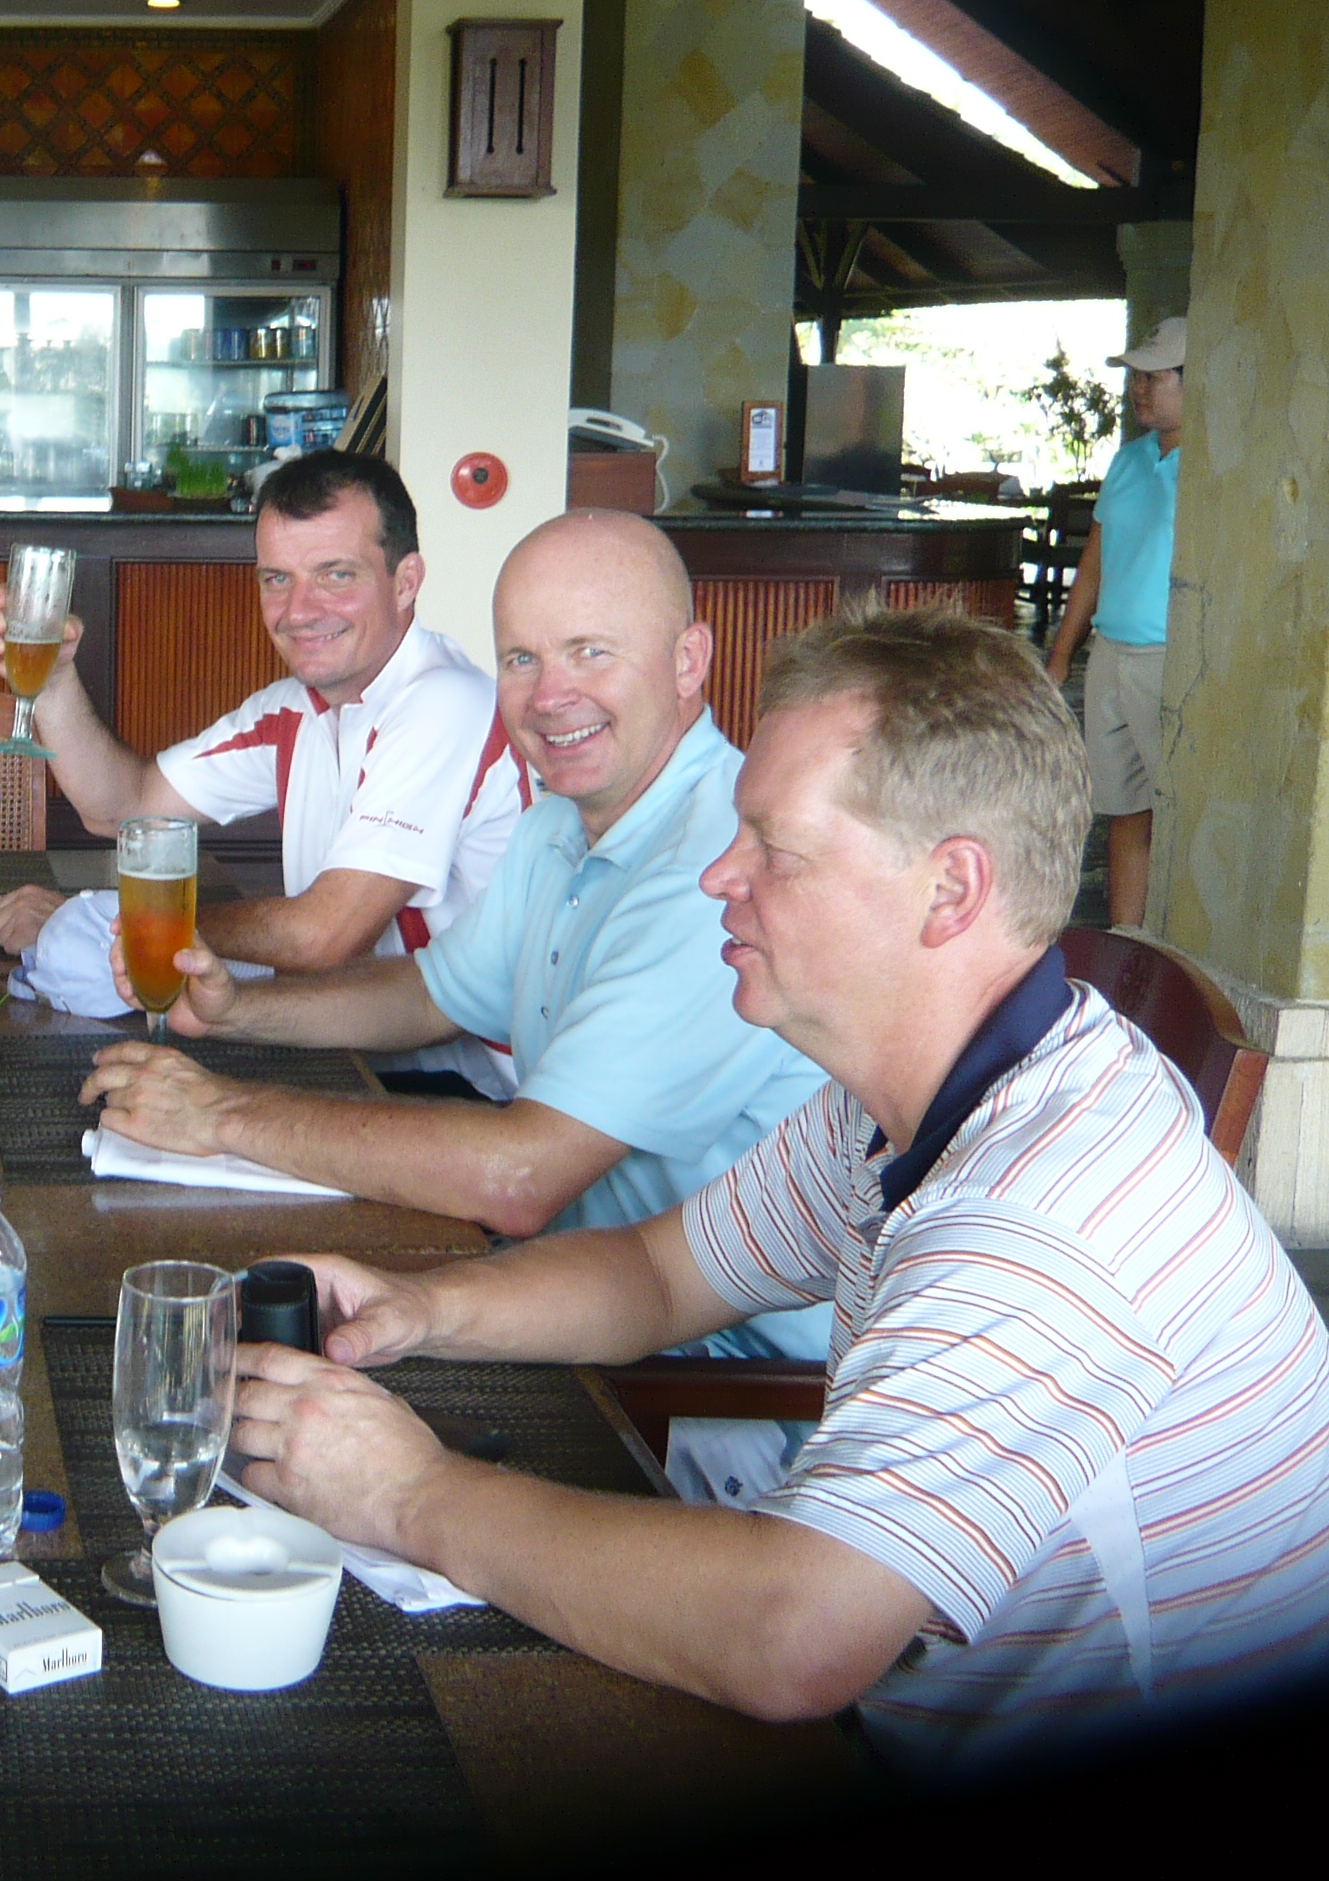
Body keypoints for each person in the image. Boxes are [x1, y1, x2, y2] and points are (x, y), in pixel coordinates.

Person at [232, 604, 1329, 1774]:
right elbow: (658, 1275)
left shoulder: (1044, 1217)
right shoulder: (915, 1092)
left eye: (775, 849)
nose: (719, 875)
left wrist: (408, 1495)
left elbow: (795, 1636)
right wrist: (418, 1308)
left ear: (950, 891)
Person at [82, 511, 827, 1369]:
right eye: (522, 659)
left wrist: (218, 1113)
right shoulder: (561, 821)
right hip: (566, 1290)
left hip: (710, 1373)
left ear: (689, 660)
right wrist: (236, 1011)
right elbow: (431, 993)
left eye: (591, 652)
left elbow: (521, 1177)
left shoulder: (714, 869)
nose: (550, 696)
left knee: (206, 1356)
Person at [0, 450, 532, 1096]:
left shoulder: (443, 702)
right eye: (276, 578)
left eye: (335, 574)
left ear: (406, 581)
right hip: (355, 1053)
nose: (298, 610)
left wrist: (116, 924)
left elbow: (324, 934)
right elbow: (123, 807)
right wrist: (52, 681)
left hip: (475, 1090)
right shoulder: (294, 709)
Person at [1043, 314, 1184, 929]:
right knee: (1125, 812)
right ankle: (1130, 947)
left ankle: (1172, 956)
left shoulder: (1215, 473)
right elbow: (1094, 563)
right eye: (1137, 378)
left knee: (1175, 813)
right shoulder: (1129, 461)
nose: (1139, 389)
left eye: (1154, 377)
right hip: (1110, 655)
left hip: (1168, 661)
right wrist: (1061, 654)